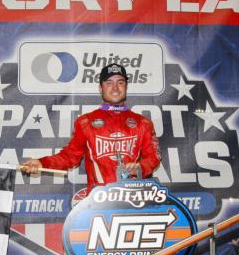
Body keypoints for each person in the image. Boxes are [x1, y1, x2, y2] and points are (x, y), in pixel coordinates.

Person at [21, 63, 161, 193]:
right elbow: (69, 157)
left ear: (126, 87)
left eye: (120, 82)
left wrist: (139, 167)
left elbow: (154, 157)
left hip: (132, 196)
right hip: (98, 199)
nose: (115, 87)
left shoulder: (143, 123)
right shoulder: (86, 122)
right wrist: (41, 162)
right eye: (109, 83)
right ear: (100, 88)